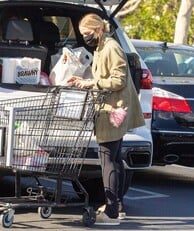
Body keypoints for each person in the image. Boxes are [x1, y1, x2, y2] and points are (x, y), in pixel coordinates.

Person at [69, 13, 145, 225]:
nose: (86, 37)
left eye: (87, 33)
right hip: (113, 107)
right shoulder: (102, 47)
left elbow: (118, 80)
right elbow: (105, 76)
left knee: (107, 160)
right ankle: (117, 206)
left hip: (113, 110)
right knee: (114, 158)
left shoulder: (111, 47)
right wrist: (86, 80)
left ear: (98, 30)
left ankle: (111, 213)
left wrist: (93, 84)